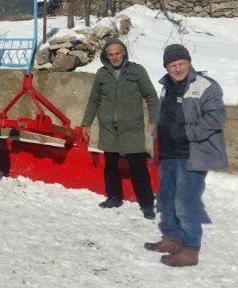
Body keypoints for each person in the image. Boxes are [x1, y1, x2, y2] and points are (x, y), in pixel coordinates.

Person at [145, 44, 228, 267]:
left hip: (191, 154)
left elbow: (217, 117)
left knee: (184, 203)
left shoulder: (205, 86)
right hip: (168, 153)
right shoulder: (166, 86)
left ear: (189, 63)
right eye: (173, 65)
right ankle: (172, 239)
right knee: (166, 200)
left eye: (182, 63)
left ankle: (190, 249)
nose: (178, 69)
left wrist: (188, 133)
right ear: (167, 67)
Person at [80, 39, 158, 219]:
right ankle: (114, 197)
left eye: (118, 53)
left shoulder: (137, 71)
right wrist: (86, 123)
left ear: (124, 53)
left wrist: (153, 119)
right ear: (106, 56)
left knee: (138, 167)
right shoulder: (102, 74)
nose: (115, 57)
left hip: (132, 128)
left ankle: (146, 204)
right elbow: (94, 100)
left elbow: (151, 97)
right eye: (111, 54)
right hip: (109, 128)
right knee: (111, 165)